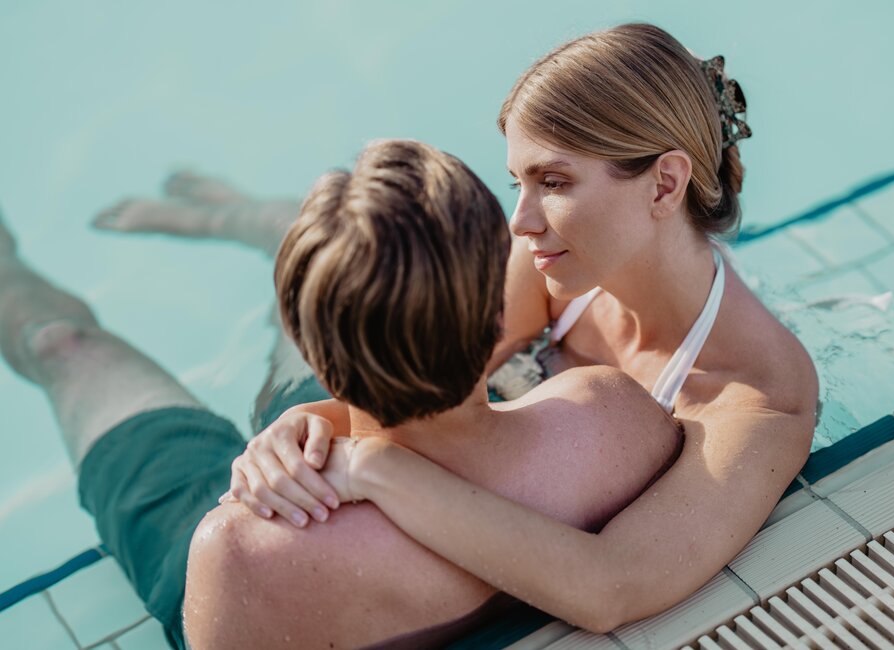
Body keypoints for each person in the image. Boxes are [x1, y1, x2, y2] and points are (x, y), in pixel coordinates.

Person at [214, 22, 819, 633]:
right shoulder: (556, 260)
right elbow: (423, 368)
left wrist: (375, 467)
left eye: (553, 183)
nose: (521, 220)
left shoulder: (762, 398)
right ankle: (248, 220)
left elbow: (612, 586)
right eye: (517, 183)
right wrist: (306, 425)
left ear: (664, 183)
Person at [0, 140, 682, 649]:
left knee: (63, 347)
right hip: (346, 418)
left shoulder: (239, 553)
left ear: (307, 344)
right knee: (359, 266)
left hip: (229, 557)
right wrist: (311, 416)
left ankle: (278, 232)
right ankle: (266, 224)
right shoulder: (614, 413)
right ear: (501, 312)